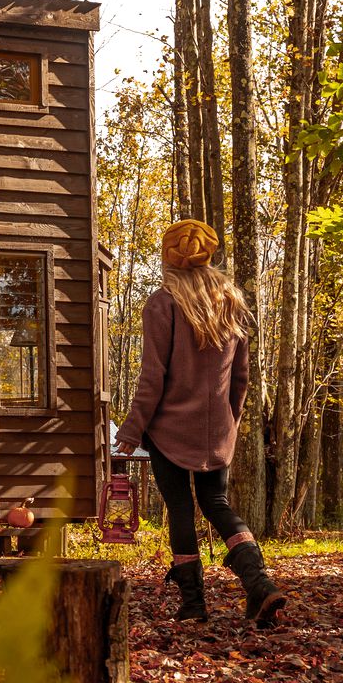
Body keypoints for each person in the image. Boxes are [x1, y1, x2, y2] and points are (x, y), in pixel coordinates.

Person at [114, 219, 286, 626]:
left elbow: (153, 377)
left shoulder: (163, 303)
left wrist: (132, 429)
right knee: (216, 503)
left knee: (180, 510)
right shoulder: (231, 301)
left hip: (169, 429)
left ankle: (193, 605)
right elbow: (241, 377)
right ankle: (259, 584)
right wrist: (230, 421)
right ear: (208, 255)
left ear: (168, 257)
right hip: (217, 428)